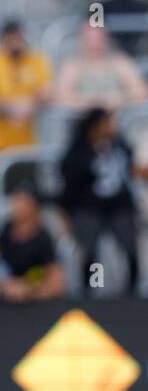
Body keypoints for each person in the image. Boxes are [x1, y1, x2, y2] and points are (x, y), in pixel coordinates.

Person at [58, 107, 146, 296]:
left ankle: (131, 291)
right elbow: (69, 187)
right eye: (106, 122)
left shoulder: (119, 146)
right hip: (89, 208)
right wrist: (67, 214)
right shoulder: (78, 152)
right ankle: (90, 290)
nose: (111, 127)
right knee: (90, 253)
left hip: (119, 206)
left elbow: (131, 171)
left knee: (130, 247)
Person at [0, 19, 53, 160]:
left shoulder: (35, 60)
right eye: (11, 38)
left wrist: (30, 103)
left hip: (25, 147)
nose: (16, 43)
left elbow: (47, 92)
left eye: (18, 38)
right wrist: (12, 107)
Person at [0, 182, 65, 302]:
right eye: (14, 199)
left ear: (33, 205)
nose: (15, 205)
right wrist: (5, 285)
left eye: (21, 200)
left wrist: (28, 290)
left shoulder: (44, 238)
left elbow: (56, 282)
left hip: (36, 301)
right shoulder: (4, 232)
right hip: (5, 296)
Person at [53, 24, 148, 111]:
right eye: (89, 39)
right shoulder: (72, 65)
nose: (94, 44)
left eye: (98, 39)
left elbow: (141, 92)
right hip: (81, 124)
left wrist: (118, 99)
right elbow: (60, 96)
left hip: (117, 124)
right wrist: (93, 103)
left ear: (106, 39)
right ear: (82, 40)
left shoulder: (120, 63)